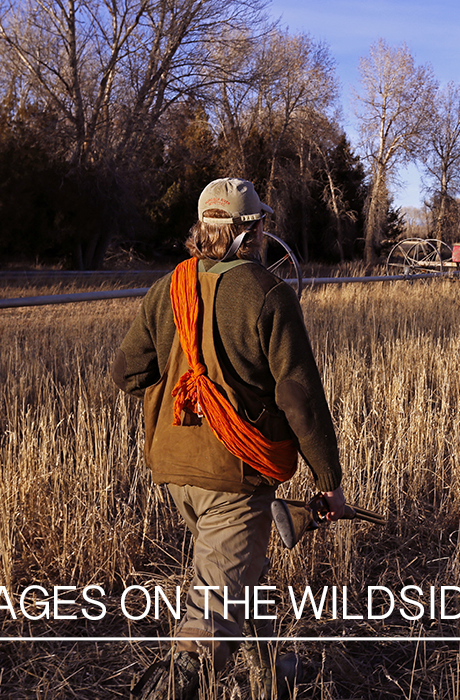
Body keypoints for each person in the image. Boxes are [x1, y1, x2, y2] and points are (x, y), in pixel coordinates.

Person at [113, 178, 345, 698]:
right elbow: (298, 398)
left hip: (175, 471)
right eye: (259, 226)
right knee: (210, 617)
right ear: (251, 231)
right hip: (235, 476)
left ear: (203, 227)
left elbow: (127, 374)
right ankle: (174, 687)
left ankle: (271, 670)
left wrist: (185, 389)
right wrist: (327, 479)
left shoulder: (166, 288)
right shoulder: (267, 292)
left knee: (237, 570)